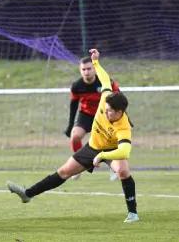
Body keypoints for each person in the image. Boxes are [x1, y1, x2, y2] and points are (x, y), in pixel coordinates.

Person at [7, 49, 139, 223]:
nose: (105, 114)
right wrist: (97, 62)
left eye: (110, 112)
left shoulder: (123, 127)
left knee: (122, 171)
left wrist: (103, 156)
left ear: (120, 112)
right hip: (93, 147)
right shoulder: (106, 97)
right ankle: (27, 194)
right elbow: (105, 78)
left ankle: (132, 213)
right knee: (63, 171)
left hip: (111, 150)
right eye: (105, 110)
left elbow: (124, 151)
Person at [64, 56, 120, 181]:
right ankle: (79, 165)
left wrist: (120, 116)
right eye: (83, 69)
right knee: (75, 136)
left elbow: (118, 96)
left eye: (89, 69)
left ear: (94, 69)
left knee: (109, 142)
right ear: (80, 70)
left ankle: (114, 167)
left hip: (104, 115)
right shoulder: (77, 86)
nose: (86, 72)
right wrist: (70, 125)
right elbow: (73, 106)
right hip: (86, 115)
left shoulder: (105, 81)